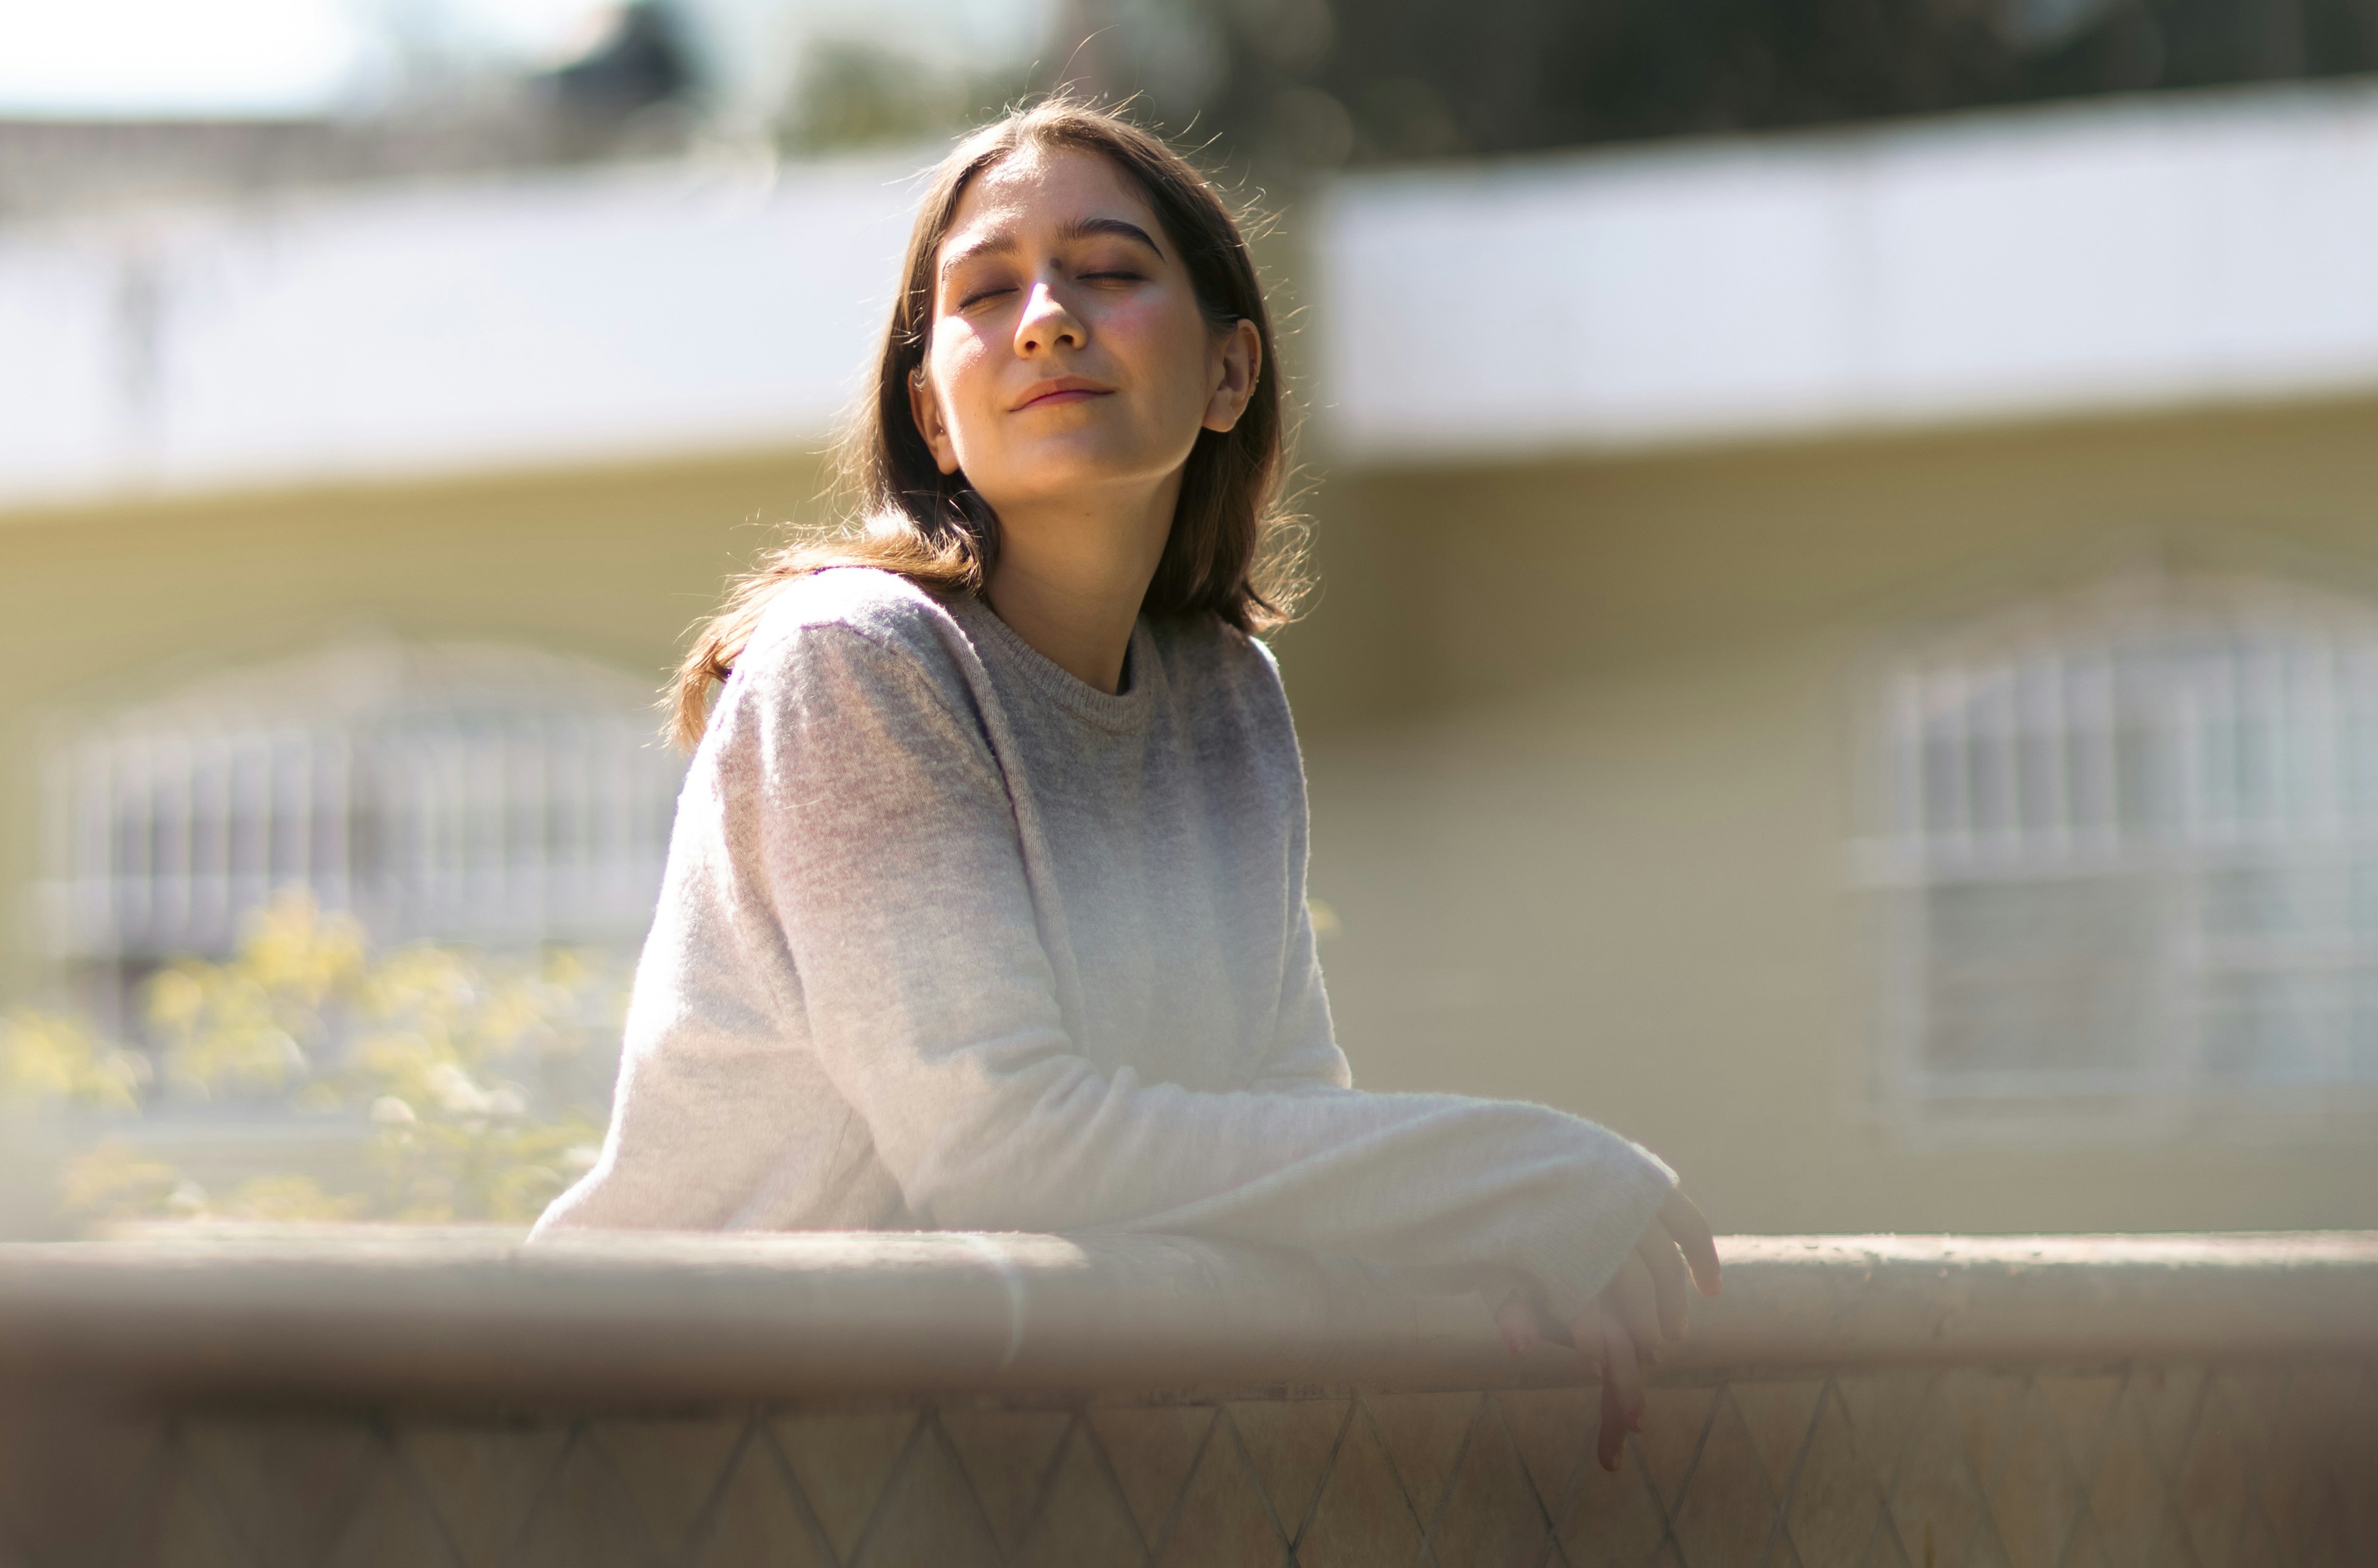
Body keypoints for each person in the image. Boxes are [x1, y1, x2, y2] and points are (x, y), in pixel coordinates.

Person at [537, 100, 1717, 1462]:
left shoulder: (1224, 698)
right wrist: (1513, 1182)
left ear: (1227, 374)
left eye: (1107, 271)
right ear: (931, 408)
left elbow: (1279, 1111)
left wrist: (1458, 1241)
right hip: (652, 1455)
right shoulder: (856, 664)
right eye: (986, 292)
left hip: (976, 1478)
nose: (1045, 317)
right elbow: (993, 1142)